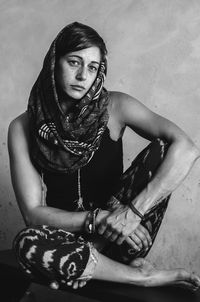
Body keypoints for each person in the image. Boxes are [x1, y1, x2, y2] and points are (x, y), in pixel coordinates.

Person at [8, 21, 200, 291]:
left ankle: (103, 266)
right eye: (74, 62)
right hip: (69, 241)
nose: (83, 75)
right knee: (26, 243)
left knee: (166, 146)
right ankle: (141, 276)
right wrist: (99, 219)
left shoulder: (116, 106)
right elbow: (33, 215)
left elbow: (187, 148)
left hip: (125, 236)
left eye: (93, 67)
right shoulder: (22, 127)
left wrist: (132, 214)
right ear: (54, 63)